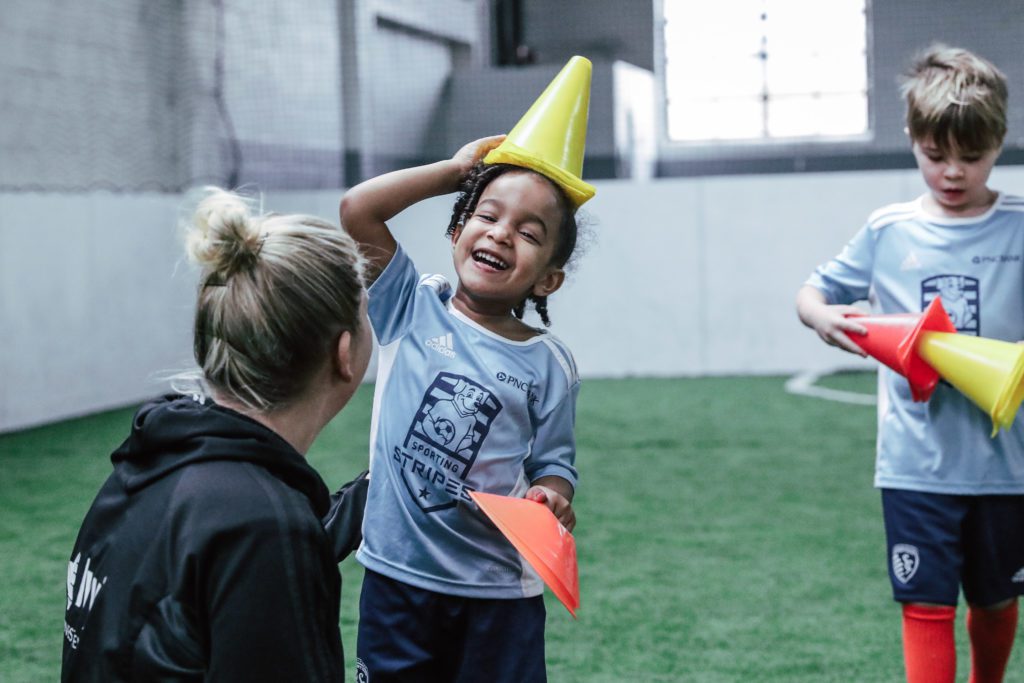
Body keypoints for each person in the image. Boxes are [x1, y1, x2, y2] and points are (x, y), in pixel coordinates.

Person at [62, 188, 373, 681]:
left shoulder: (153, 461)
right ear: (344, 352)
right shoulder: (262, 526)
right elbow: (252, 546)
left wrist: (373, 491)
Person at [796, 45, 1023, 683]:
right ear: (912, 138)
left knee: (996, 599)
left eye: (971, 157)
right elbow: (813, 292)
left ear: (999, 142)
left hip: (1008, 464)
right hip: (914, 463)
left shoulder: (1019, 225)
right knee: (925, 603)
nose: (952, 172)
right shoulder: (889, 229)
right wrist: (822, 317)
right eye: (934, 154)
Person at [339, 133, 585, 682]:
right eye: (486, 215)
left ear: (548, 278)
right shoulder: (411, 305)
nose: (501, 233)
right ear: (456, 231)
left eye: (528, 233)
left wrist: (553, 496)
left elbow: (555, 463)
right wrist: (454, 174)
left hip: (498, 592)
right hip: (396, 577)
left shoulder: (549, 364)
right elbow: (358, 210)